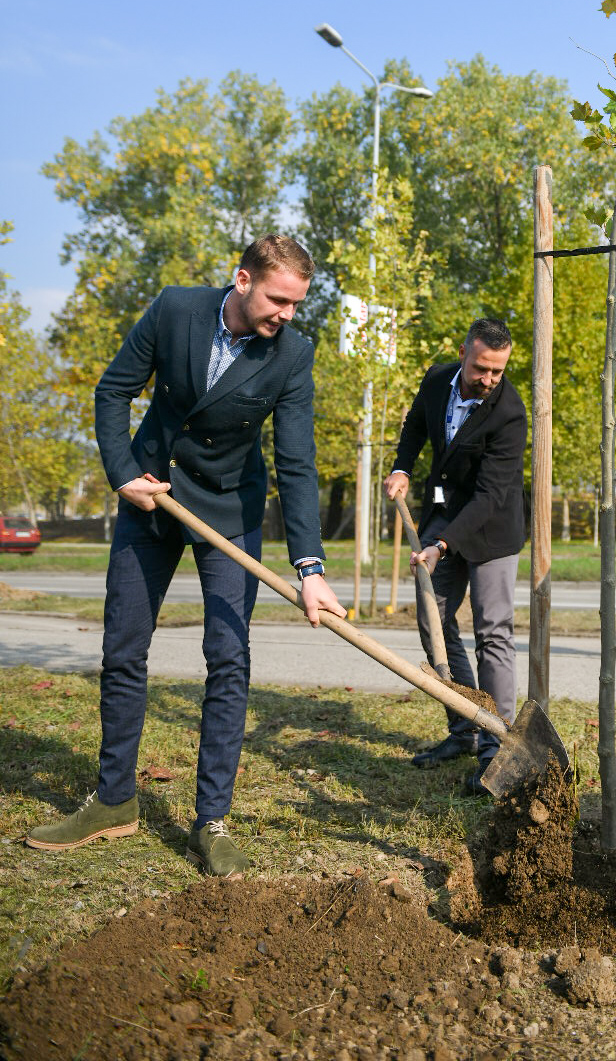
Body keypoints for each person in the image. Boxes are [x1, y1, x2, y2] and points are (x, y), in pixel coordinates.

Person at [26, 235, 345, 877]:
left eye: (296, 304)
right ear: (242, 280)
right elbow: (113, 392)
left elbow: (297, 463)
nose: (287, 314)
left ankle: (212, 820)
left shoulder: (293, 354)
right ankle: (114, 800)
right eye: (278, 300)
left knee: (228, 659)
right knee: (123, 650)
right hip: (151, 494)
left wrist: (310, 569)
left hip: (229, 513)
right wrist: (123, 476)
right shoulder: (175, 309)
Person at [385, 317, 526, 795]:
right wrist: (403, 467)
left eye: (497, 371)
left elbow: (489, 496)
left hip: (492, 528)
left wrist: (441, 545)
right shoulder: (436, 379)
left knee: (493, 632)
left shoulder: (509, 413)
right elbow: (415, 427)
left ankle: (496, 749)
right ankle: (464, 726)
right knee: (434, 619)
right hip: (444, 511)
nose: (488, 379)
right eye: (481, 368)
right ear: (464, 352)